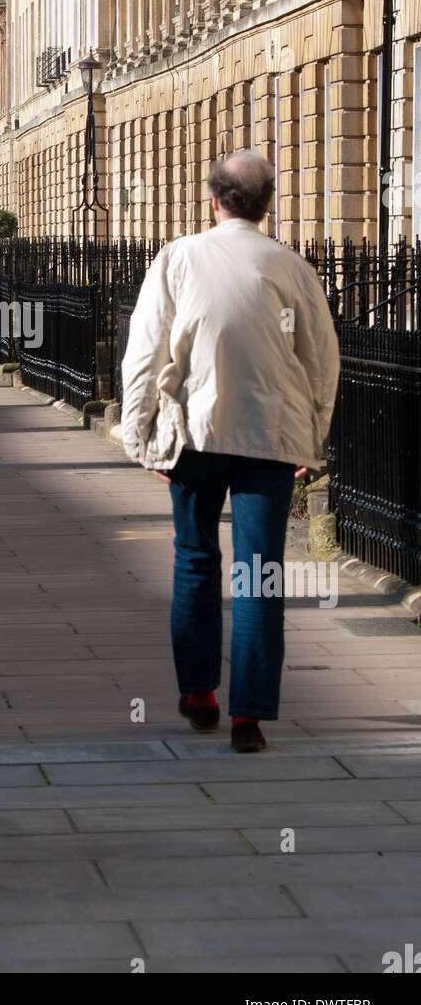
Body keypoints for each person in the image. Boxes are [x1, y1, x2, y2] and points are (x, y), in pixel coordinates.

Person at [121, 152, 340, 753]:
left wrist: (138, 435)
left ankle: (199, 694)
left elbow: (144, 352)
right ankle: (249, 715)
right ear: (268, 203)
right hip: (270, 437)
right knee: (259, 572)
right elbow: (321, 360)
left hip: (194, 434)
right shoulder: (291, 267)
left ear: (212, 198)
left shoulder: (179, 258)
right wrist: (312, 437)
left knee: (195, 561)